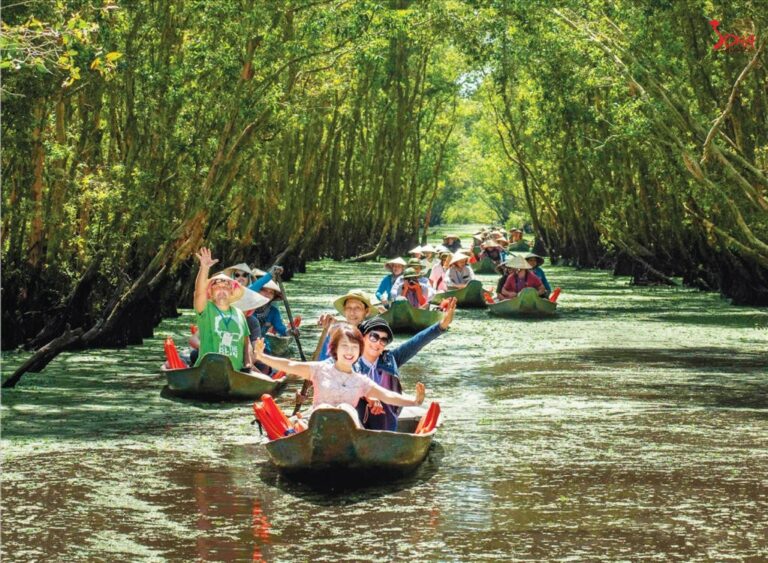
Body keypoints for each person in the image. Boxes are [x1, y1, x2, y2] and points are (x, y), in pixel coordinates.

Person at [253, 324, 426, 427]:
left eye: (354, 347)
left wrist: (414, 401)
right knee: (322, 410)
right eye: (344, 346)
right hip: (318, 428)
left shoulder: (361, 381)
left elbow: (387, 395)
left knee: (347, 409)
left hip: (347, 432)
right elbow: (290, 365)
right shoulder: (319, 369)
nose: (349, 352)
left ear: (359, 350)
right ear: (335, 349)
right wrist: (262, 357)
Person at [355, 298, 457, 431]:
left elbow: (417, 342)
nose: (378, 343)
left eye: (383, 340)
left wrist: (442, 325)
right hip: (357, 423)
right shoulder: (351, 361)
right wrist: (368, 396)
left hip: (386, 423)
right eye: (374, 337)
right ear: (363, 338)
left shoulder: (390, 359)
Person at [193, 248, 251, 371]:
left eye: (225, 287)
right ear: (211, 292)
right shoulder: (206, 308)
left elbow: (246, 342)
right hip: (208, 371)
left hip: (235, 373)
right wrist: (204, 268)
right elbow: (199, 292)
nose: (221, 290)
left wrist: (248, 363)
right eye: (217, 287)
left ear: (231, 292)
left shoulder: (239, 313)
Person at [317, 289, 376, 360]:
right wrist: (326, 329)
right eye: (348, 307)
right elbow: (316, 362)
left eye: (357, 308)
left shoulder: (372, 336)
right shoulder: (333, 331)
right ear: (344, 310)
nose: (352, 312)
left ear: (367, 311)